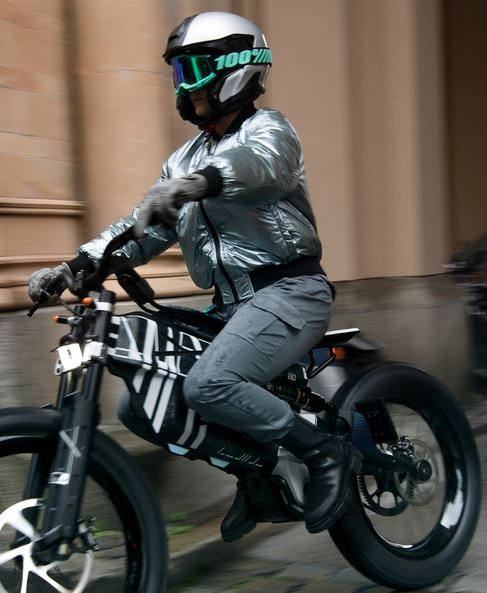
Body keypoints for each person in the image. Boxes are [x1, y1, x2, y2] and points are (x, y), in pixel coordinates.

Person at [27, 11, 355, 541]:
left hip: (290, 292)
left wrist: (197, 184)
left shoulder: (270, 130)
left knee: (209, 384)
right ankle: (255, 474)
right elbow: (145, 230)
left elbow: (258, 165)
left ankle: (322, 451)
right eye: (178, 74)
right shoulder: (182, 159)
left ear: (235, 68)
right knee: (141, 404)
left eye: (193, 70)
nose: (186, 86)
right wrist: (76, 265)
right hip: (229, 309)